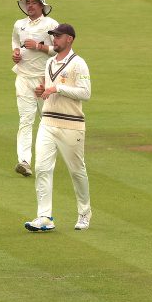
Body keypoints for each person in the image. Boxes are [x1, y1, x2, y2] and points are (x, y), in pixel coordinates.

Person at [24, 23, 92, 232]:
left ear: (69, 39)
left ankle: (84, 212)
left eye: (59, 36)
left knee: (76, 170)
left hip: (71, 124)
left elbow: (85, 93)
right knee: (42, 168)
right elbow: (48, 88)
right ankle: (45, 216)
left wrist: (57, 88)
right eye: (54, 36)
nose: (55, 39)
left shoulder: (78, 63)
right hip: (47, 122)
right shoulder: (50, 62)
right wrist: (42, 89)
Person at [11, 0, 58, 177]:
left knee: (47, 121)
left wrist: (39, 47)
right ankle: (24, 161)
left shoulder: (51, 24)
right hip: (23, 77)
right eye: (28, 3)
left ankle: (46, 160)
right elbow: (15, 40)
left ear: (41, 6)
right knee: (25, 120)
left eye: (34, 3)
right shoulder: (19, 25)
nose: (30, 6)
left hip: (44, 80)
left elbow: (60, 49)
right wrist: (15, 52)